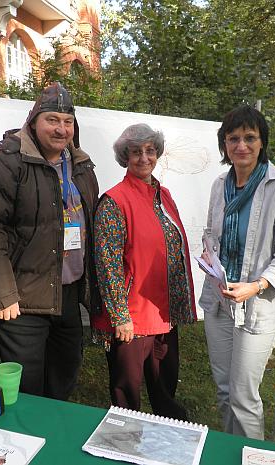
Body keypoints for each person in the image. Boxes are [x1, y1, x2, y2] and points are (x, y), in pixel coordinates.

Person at [0, 82, 100, 400]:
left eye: (67, 122)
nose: (61, 129)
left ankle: (53, 429)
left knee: (64, 375)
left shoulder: (81, 165)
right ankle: (20, 432)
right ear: (33, 120)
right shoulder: (2, 163)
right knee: (24, 390)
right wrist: (2, 294)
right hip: (21, 300)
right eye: (52, 120)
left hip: (67, 293)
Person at [199, 105, 275, 439]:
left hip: (258, 304)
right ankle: (231, 453)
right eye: (233, 138)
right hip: (220, 300)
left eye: (249, 137)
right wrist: (209, 254)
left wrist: (256, 286)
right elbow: (211, 233)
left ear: (262, 142)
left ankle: (250, 457)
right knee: (224, 390)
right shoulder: (220, 185)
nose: (241, 145)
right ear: (224, 145)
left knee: (243, 397)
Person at [91, 123, 196, 421]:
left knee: (165, 386)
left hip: (164, 311)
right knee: (127, 393)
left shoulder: (164, 195)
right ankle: (124, 437)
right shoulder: (114, 201)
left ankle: (167, 434)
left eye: (150, 150)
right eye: (136, 152)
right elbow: (107, 264)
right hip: (132, 316)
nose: (144, 158)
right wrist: (120, 316)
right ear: (125, 157)